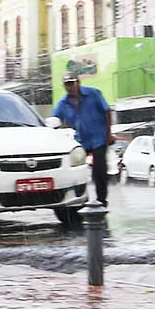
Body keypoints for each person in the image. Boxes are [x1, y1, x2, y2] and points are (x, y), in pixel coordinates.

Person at [53, 73, 114, 209]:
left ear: (78, 83)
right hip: (81, 141)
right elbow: (54, 120)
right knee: (73, 168)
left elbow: (107, 111)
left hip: (99, 137)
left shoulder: (93, 93)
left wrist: (109, 133)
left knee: (99, 169)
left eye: (72, 83)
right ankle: (76, 197)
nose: (70, 87)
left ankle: (101, 199)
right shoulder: (63, 103)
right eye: (67, 84)